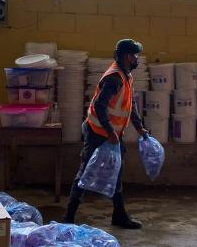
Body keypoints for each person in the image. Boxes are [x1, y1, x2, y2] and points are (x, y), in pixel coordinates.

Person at [62, 39, 148, 229]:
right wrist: (109, 131)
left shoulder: (126, 76)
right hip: (98, 132)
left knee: (116, 172)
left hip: (112, 134)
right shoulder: (114, 78)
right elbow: (100, 106)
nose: (137, 59)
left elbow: (130, 104)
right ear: (127, 56)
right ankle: (68, 217)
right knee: (85, 173)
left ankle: (119, 216)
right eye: (135, 55)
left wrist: (139, 127)